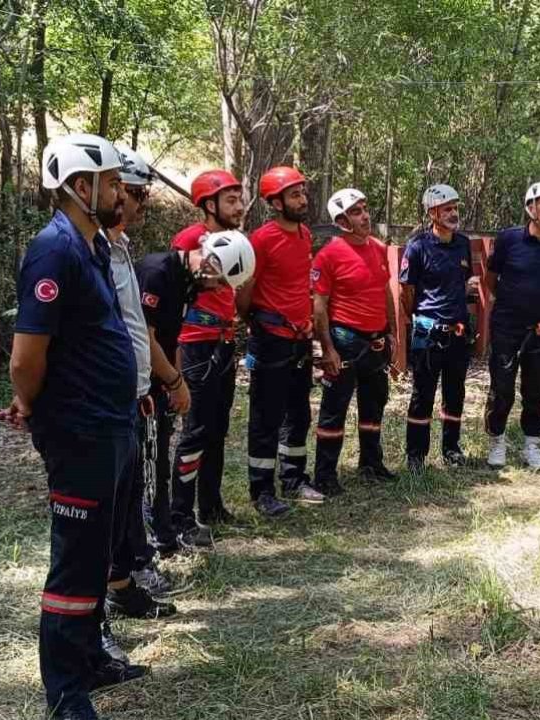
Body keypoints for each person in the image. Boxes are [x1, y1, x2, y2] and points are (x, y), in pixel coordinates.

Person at [7, 133, 145, 720]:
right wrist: (28, 401)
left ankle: (90, 656)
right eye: (112, 182)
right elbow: (25, 355)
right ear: (79, 187)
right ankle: (64, 692)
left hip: (111, 424)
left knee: (98, 553)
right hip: (80, 429)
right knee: (74, 559)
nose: (121, 192)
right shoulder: (53, 251)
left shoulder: (92, 247)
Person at [100, 146, 177, 656]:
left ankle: (123, 587)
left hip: (133, 396)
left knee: (127, 501)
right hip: (99, 406)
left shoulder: (120, 246)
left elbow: (136, 329)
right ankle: (93, 618)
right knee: (98, 514)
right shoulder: (82, 252)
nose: (142, 201)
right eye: (134, 191)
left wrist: (154, 382)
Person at [163, 170, 247, 548]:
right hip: (196, 346)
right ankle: (180, 516)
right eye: (230, 200)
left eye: (239, 198)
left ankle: (211, 505)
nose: (240, 206)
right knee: (195, 431)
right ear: (209, 205)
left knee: (216, 428)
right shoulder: (189, 240)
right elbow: (173, 288)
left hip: (223, 342)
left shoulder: (234, 241)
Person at [236, 166, 327, 517]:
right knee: (265, 416)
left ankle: (293, 479)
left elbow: (298, 284)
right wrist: (256, 321)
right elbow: (245, 290)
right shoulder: (261, 239)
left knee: (298, 412)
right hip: (270, 338)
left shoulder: (305, 234)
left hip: (299, 339)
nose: (302, 200)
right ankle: (261, 490)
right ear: (275, 202)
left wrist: (305, 322)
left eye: (303, 193)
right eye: (294, 195)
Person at [310, 188, 399, 495]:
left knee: (374, 405)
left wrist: (392, 332)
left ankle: (371, 463)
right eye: (357, 212)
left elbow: (384, 291)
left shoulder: (377, 248)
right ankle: (324, 475)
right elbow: (319, 305)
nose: (365, 216)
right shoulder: (329, 254)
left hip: (376, 341)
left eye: (365, 208)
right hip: (345, 341)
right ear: (342, 220)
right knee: (334, 409)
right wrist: (327, 349)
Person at [481, 181, 540, 471]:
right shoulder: (509, 240)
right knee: (502, 387)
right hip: (507, 326)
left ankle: (531, 445)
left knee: (536, 390)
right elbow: (490, 280)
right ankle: (497, 442)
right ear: (530, 208)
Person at [401, 184, 476, 472]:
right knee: (422, 393)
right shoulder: (418, 246)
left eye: (455, 208)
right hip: (427, 332)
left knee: (455, 392)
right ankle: (416, 456)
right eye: (447, 208)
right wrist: (421, 318)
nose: (453, 213)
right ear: (432, 212)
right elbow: (406, 291)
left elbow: (464, 279)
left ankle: (451, 449)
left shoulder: (463, 244)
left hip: (458, 331)